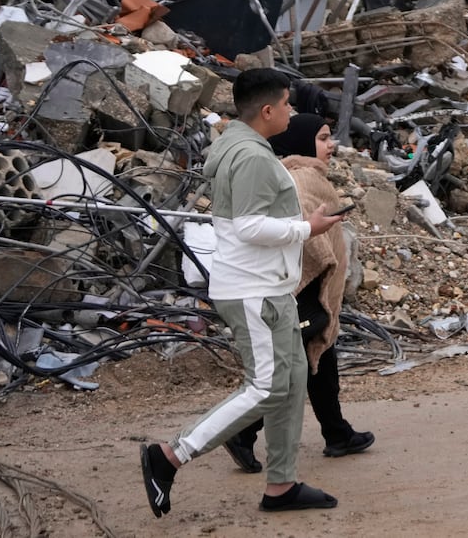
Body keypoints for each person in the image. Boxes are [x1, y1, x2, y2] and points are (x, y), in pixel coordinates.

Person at [140, 69, 348, 517]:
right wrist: (306, 227)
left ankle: (282, 484)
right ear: (268, 110)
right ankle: (171, 455)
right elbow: (249, 227)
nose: (293, 111)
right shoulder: (252, 157)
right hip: (254, 291)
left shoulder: (242, 146)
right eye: (288, 104)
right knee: (266, 387)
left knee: (291, 385)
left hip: (268, 287)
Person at [223, 114, 374, 469]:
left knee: (322, 360)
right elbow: (305, 234)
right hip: (305, 289)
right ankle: (242, 432)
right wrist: (323, 264)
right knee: (295, 372)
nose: (331, 145)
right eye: (323, 138)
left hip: (303, 289)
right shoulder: (303, 178)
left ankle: (337, 433)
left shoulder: (289, 174)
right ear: (305, 143)